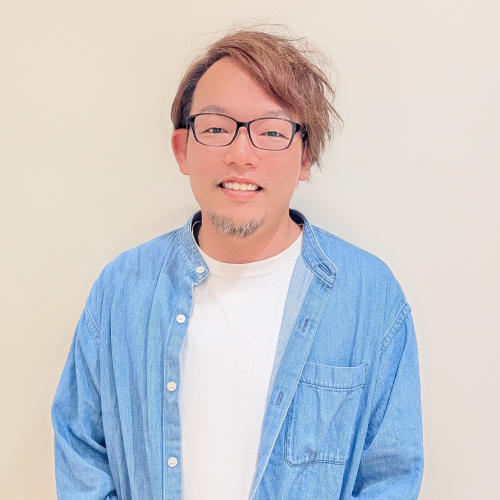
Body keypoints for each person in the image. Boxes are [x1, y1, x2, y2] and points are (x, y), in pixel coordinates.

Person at [52, 27, 424, 500]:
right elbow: (81, 452)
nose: (241, 154)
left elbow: (389, 475)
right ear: (183, 149)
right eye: (216, 128)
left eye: (271, 132)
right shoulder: (122, 288)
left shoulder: (369, 296)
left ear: (306, 156)